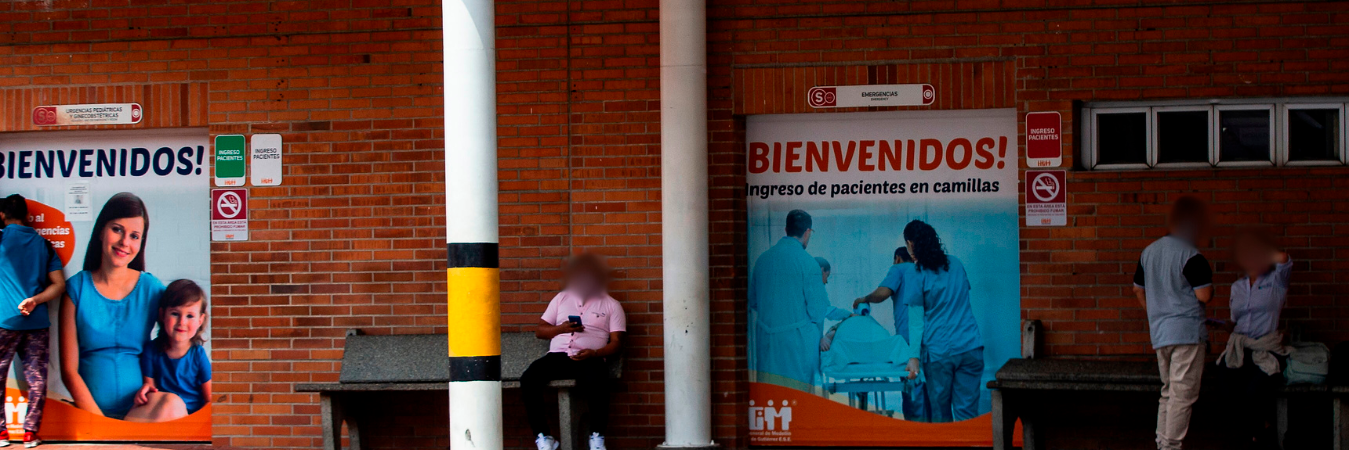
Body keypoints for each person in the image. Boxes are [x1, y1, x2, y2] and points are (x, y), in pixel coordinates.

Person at [59, 193, 165, 419]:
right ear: (100, 231)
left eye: (135, 236)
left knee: (172, 405)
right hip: (91, 414)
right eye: (117, 229)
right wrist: (100, 425)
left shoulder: (152, 288)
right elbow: (69, 370)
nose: (125, 242)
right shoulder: (76, 289)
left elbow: (177, 343)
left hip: (141, 411)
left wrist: (152, 382)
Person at [1133, 196, 1213, 450]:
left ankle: (1162, 443)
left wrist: (1157, 312)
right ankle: (1171, 447)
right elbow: (1204, 295)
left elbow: (1137, 290)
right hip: (1187, 334)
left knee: (1167, 392)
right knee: (1182, 396)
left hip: (1160, 334)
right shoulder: (1191, 255)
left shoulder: (1149, 252)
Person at [523, 254, 625, 450]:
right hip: (558, 357)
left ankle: (597, 437)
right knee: (529, 379)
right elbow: (540, 331)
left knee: (597, 380)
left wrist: (594, 353)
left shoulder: (612, 305)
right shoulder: (561, 298)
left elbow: (617, 343)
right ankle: (544, 438)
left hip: (590, 357)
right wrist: (561, 329)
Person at [748, 210, 850, 391]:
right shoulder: (808, 263)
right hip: (797, 347)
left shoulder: (763, 260)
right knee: (797, 401)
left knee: (771, 399)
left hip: (767, 344)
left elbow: (754, 301)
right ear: (808, 232)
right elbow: (818, 311)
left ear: (786, 229)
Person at [1210, 230, 1291, 449]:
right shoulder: (1238, 286)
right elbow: (1235, 322)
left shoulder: (1277, 281)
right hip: (1241, 347)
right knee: (1225, 388)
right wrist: (1220, 325)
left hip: (1266, 348)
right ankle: (1262, 429)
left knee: (1254, 391)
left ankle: (1260, 436)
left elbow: (1283, 258)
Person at [899, 221, 984, 423]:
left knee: (941, 416)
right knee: (967, 416)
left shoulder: (915, 272)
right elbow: (963, 298)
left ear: (911, 243)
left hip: (940, 354)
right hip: (970, 346)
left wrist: (914, 357)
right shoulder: (955, 263)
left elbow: (916, 320)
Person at [0, 194, 65, 447]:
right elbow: (58, 285)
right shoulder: (44, 244)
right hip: (36, 321)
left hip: (5, 320)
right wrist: (35, 300)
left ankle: (2, 434)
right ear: (27, 216)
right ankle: (30, 433)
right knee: (36, 377)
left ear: (3, 216)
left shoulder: (2, 239)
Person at [853, 246, 926, 421]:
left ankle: (914, 432)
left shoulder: (898, 268)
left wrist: (864, 299)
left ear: (898, 258)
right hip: (931, 337)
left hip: (909, 337)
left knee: (912, 386)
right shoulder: (924, 270)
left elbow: (882, 293)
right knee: (927, 389)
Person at [126, 280, 211, 423]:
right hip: (163, 410)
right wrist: (144, 392)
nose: (182, 322)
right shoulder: (152, 350)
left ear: (200, 320)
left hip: (189, 418)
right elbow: (151, 390)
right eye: (175, 313)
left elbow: (210, 400)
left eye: (190, 316)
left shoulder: (198, 355)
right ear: (162, 314)